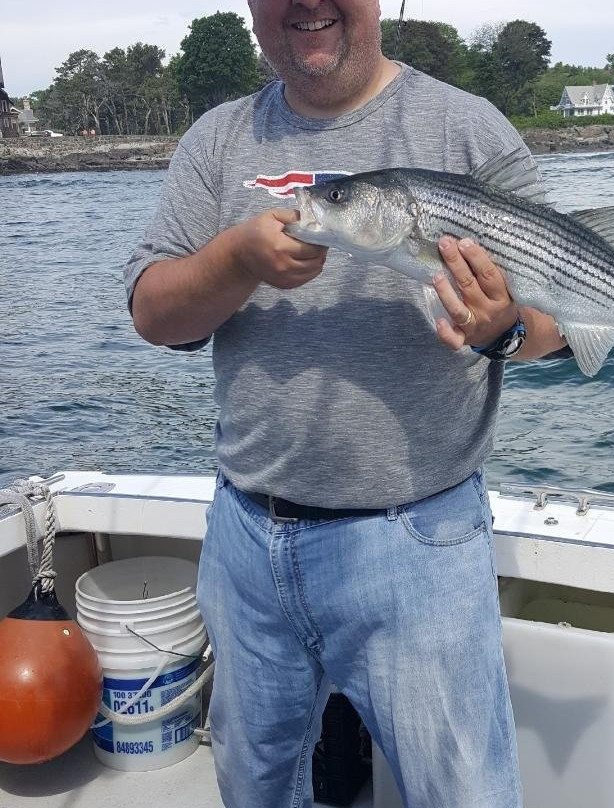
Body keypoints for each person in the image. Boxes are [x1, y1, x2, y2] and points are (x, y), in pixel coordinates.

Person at [124, 1, 566, 806]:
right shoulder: (217, 139)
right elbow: (154, 313)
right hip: (244, 541)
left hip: (418, 544)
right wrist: (234, 258)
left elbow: (560, 321)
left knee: (461, 792)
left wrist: (502, 328)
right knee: (256, 789)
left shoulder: (465, 127)